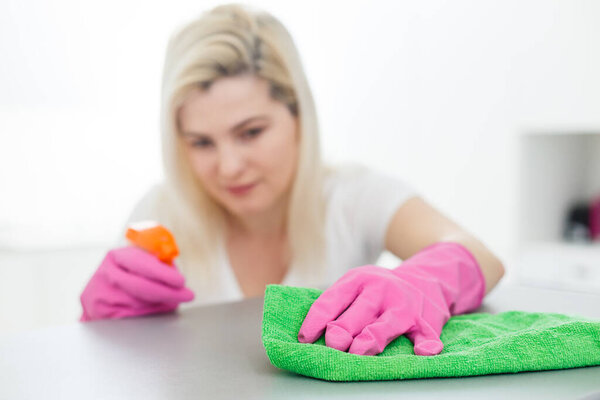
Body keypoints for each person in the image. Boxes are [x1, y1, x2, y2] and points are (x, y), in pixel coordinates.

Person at [79, 4, 505, 356]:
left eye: (251, 133)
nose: (228, 166)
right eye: (201, 142)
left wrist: (422, 281)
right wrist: (98, 325)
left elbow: (480, 255)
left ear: (299, 117)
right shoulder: (160, 213)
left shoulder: (352, 196)